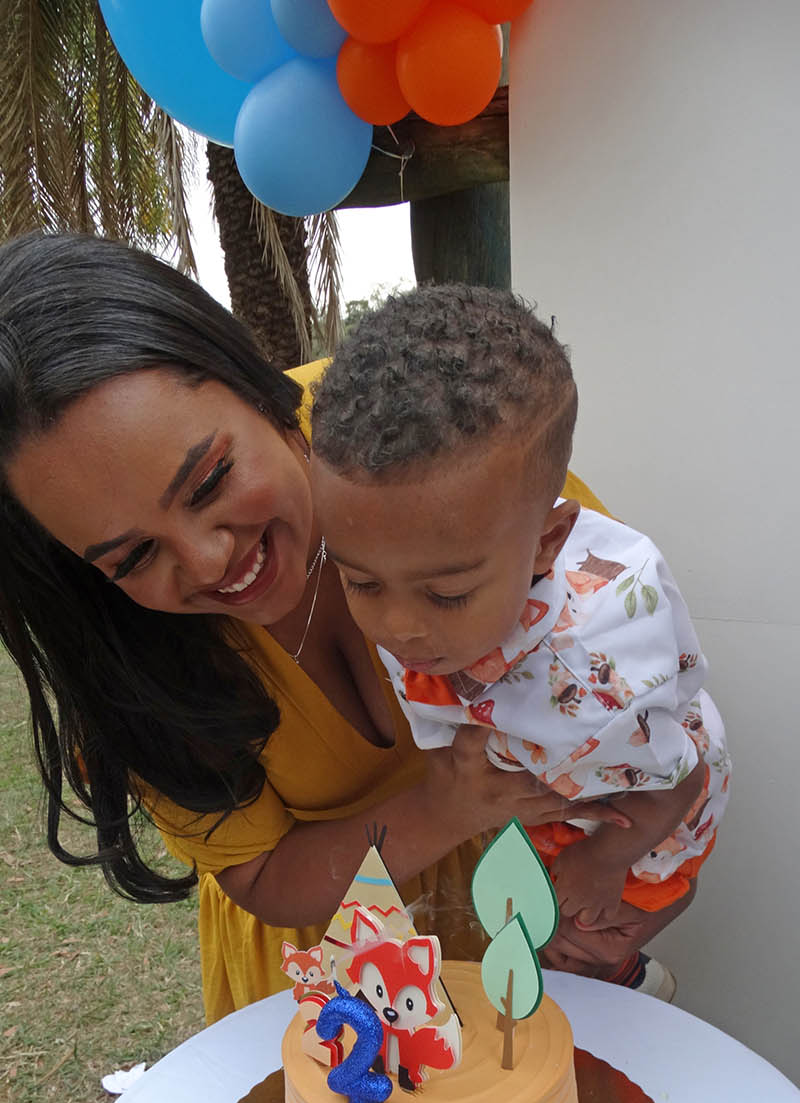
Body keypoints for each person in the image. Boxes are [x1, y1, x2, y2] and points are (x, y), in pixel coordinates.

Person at [0, 232, 630, 1024]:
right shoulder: (116, 642)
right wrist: (445, 807)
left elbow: (631, 698)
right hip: (334, 975)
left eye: (210, 481)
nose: (209, 561)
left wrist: (626, 876)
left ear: (254, 384)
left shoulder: (434, 438)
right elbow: (263, 875)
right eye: (132, 557)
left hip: (538, 911)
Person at [310, 285, 731, 999]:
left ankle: (619, 974)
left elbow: (681, 781)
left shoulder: (597, 683)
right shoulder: (423, 592)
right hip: (559, 782)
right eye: (361, 583)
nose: (399, 627)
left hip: (643, 814)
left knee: (588, 925)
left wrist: (604, 860)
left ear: (548, 543)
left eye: (447, 593)